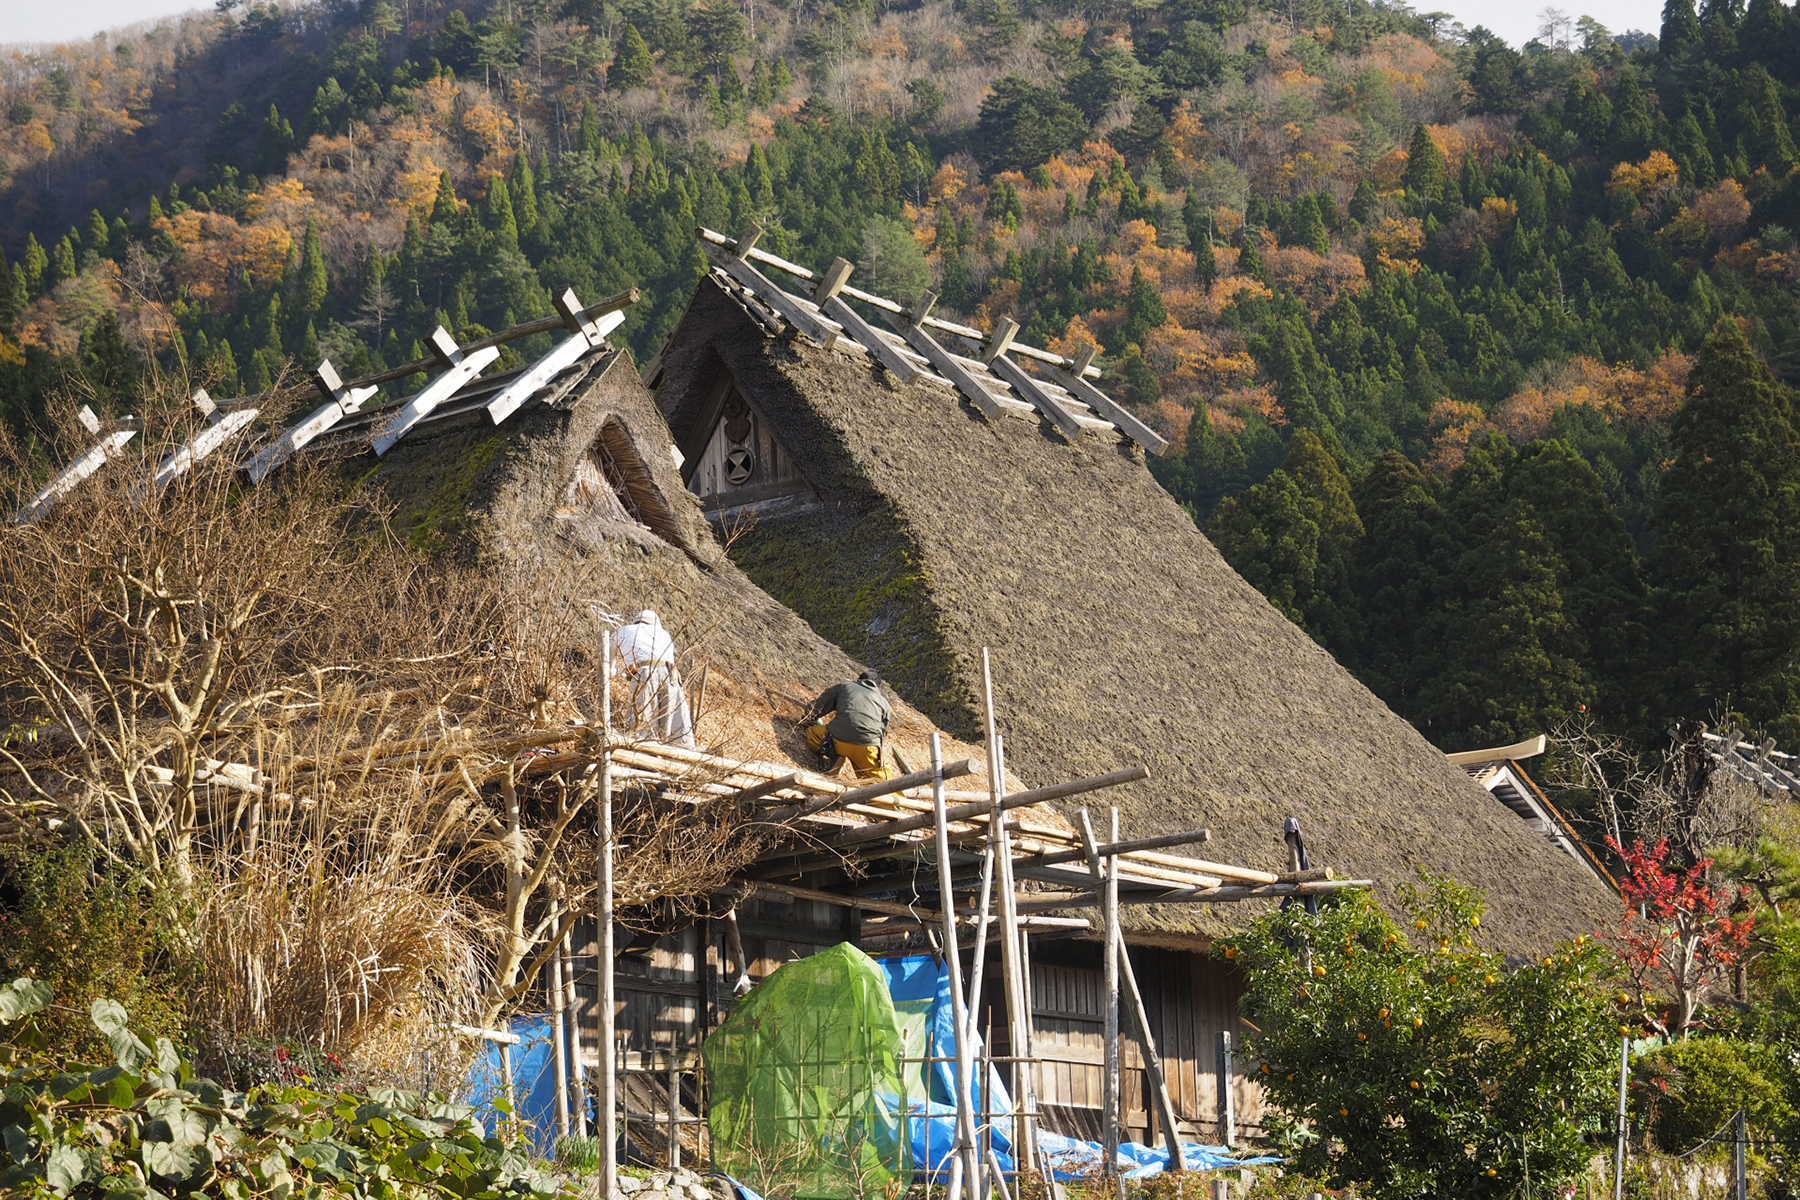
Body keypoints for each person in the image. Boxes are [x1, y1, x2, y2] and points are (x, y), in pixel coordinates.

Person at [612, 609, 696, 749]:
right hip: (669, 676)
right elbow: (672, 664)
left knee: (643, 726)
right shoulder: (664, 634)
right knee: (674, 726)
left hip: (644, 674)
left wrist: (621, 673)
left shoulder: (622, 631)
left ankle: (643, 759)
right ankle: (677, 759)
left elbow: (606, 664)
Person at [800, 670, 893, 780]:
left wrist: (808, 719)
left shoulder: (844, 687)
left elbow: (814, 709)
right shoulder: (884, 703)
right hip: (867, 747)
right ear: (878, 688)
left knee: (813, 732)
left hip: (837, 740)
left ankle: (834, 755)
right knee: (882, 785)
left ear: (858, 680)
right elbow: (882, 734)